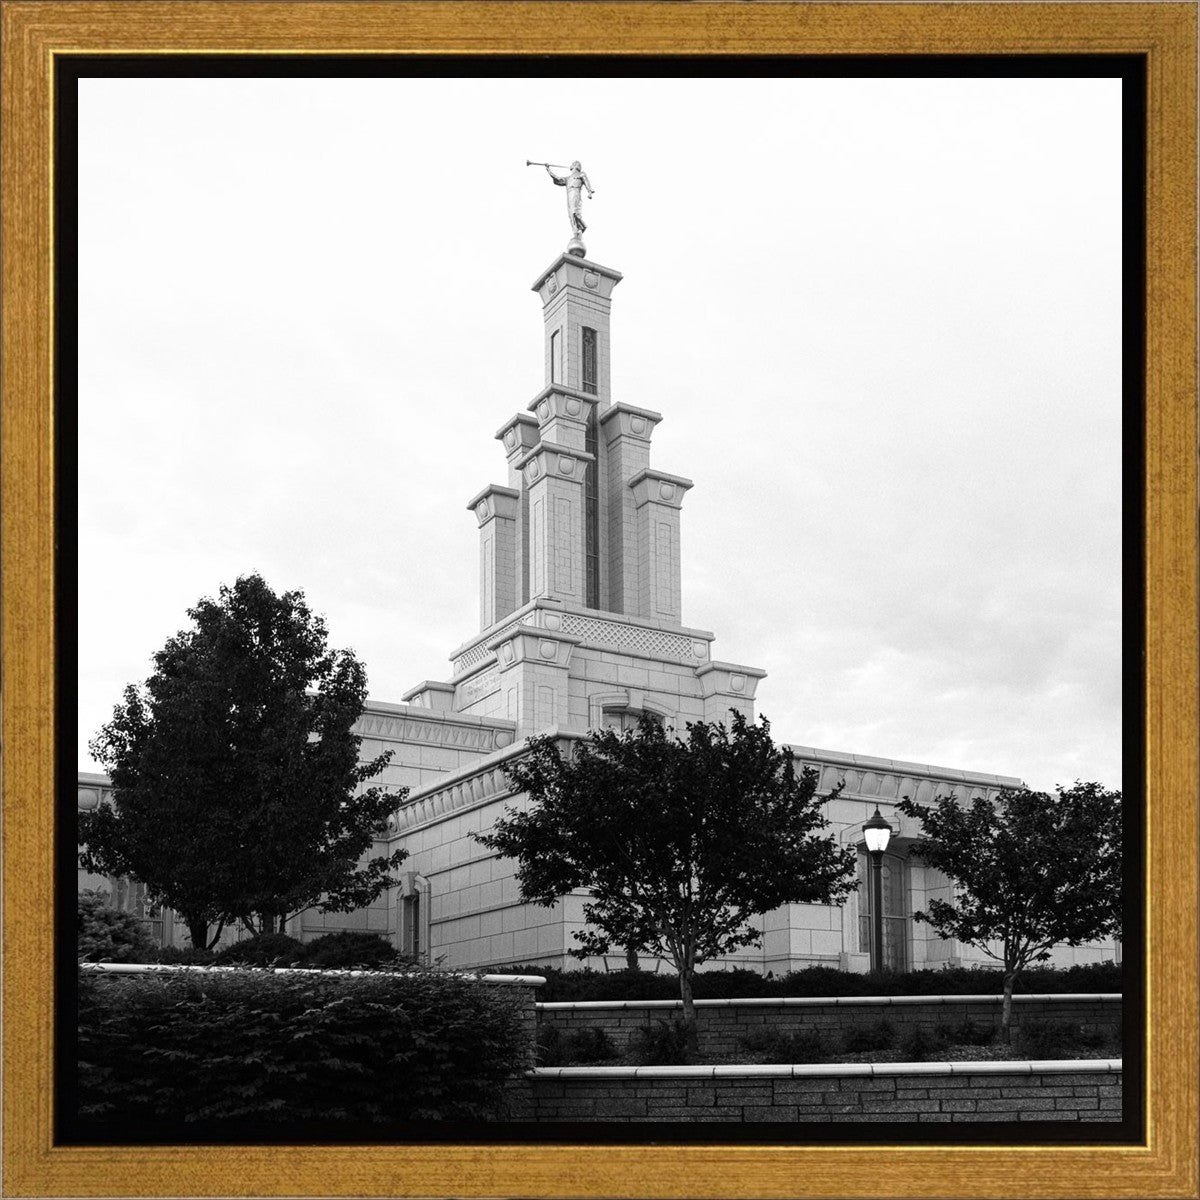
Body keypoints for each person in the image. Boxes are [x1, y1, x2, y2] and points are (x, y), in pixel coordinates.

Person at [545, 160, 594, 235]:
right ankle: (575, 232)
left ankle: (582, 226)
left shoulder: (581, 174)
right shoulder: (568, 178)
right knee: (571, 214)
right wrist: (548, 170)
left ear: (575, 166)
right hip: (569, 196)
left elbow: (586, 181)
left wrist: (589, 191)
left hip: (576, 193)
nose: (570, 166)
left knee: (575, 212)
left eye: (572, 164)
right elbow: (557, 178)